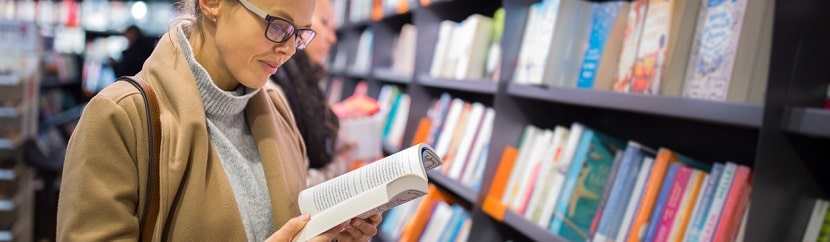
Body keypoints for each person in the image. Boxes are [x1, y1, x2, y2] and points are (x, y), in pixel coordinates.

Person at [56, 0, 381, 241]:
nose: (288, 50)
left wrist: (333, 232)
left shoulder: (278, 109)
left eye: (300, 35)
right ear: (212, 4)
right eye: (279, 27)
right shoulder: (120, 118)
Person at [267, 0, 354, 186]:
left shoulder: (306, 82)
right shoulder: (273, 85)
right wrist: (341, 164)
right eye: (324, 23)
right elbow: (295, 185)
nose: (332, 38)